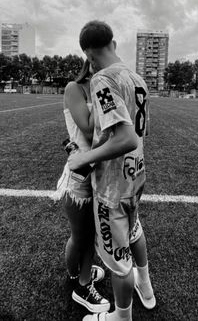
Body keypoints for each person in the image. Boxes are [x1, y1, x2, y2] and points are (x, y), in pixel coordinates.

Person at [68, 20, 156, 321]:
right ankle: (146, 288)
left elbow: (126, 138)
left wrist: (84, 158)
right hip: (137, 176)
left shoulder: (102, 80)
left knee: (119, 261)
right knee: (135, 230)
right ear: (114, 44)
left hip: (112, 186)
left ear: (89, 56)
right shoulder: (137, 77)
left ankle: (120, 316)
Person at [54, 59, 110, 314]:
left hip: (99, 173)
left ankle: (77, 274)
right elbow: (89, 130)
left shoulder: (105, 87)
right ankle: (82, 285)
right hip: (79, 177)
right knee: (83, 237)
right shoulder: (74, 88)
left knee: (90, 235)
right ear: (90, 60)